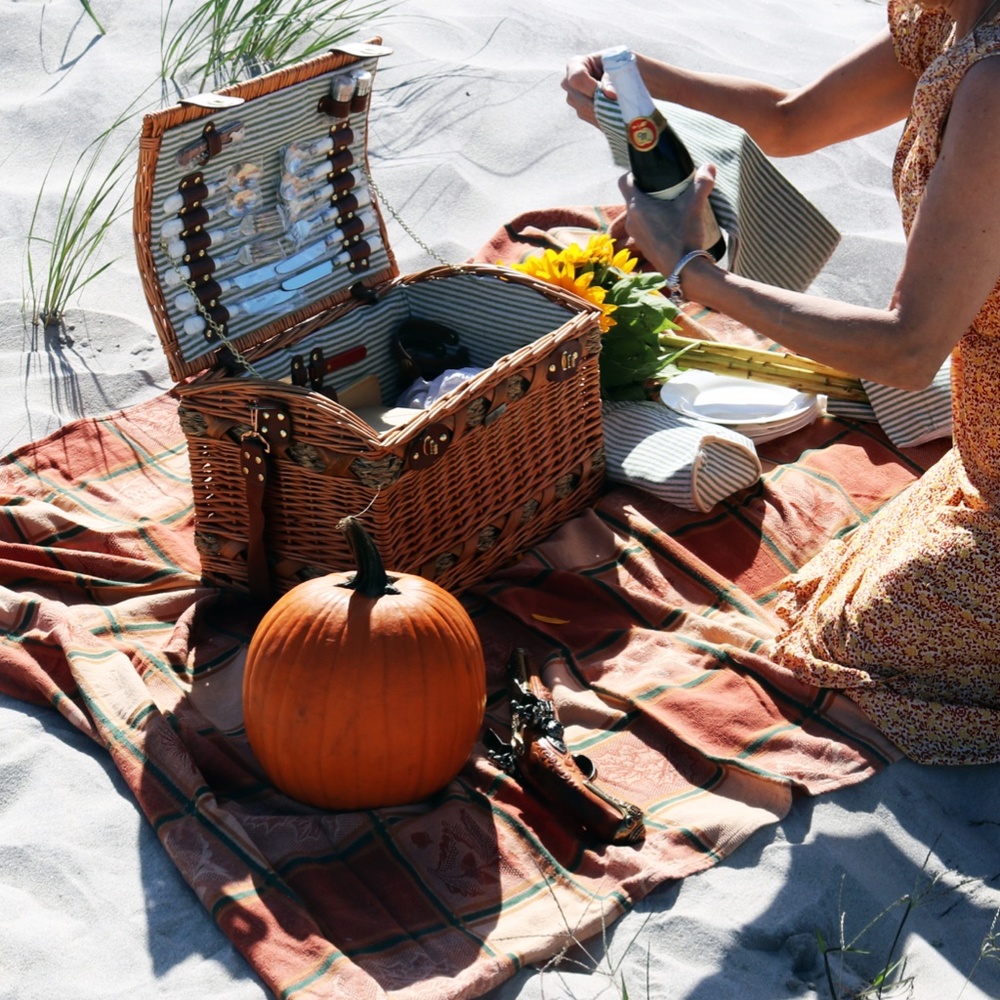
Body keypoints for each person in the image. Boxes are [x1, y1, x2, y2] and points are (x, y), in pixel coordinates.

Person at [563, 0, 1000, 766]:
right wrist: (632, 83)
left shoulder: (995, 83)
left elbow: (908, 348)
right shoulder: (951, 20)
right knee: (839, 599)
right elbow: (791, 120)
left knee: (854, 646)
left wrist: (692, 273)